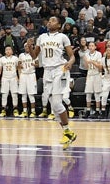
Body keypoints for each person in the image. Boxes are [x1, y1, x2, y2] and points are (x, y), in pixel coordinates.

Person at [32, 16, 77, 149]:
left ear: (59, 25)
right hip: (47, 71)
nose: (49, 22)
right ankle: (67, 132)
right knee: (53, 106)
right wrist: (29, 47)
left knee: (57, 103)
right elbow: (35, 56)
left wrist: (70, 62)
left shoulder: (62, 37)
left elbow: (72, 56)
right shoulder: (41, 37)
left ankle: (68, 130)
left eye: (53, 20)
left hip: (59, 69)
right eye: (49, 20)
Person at [0, 46, 20, 117]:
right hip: (5, 78)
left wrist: (19, 77)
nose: (8, 51)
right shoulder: (2, 59)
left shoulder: (16, 58)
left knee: (14, 94)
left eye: (9, 49)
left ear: (12, 51)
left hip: (13, 78)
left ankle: (15, 109)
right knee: (4, 94)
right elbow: (0, 70)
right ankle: (3, 110)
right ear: (5, 51)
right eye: (6, 50)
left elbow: (18, 69)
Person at [18, 39, 38, 117]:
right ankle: (24, 111)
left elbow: (38, 65)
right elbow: (18, 65)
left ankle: (33, 111)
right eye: (25, 46)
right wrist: (20, 66)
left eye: (28, 46)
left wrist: (34, 65)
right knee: (23, 94)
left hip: (31, 75)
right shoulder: (21, 55)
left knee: (31, 94)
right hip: (23, 75)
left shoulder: (34, 54)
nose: (27, 47)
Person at [84, 41, 103, 119]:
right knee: (88, 93)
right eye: (90, 45)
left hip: (97, 74)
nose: (91, 47)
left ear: (95, 47)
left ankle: (97, 111)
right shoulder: (86, 55)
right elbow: (86, 67)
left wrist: (91, 61)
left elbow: (100, 67)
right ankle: (88, 111)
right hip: (90, 74)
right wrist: (86, 61)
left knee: (97, 94)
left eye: (92, 45)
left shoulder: (98, 54)